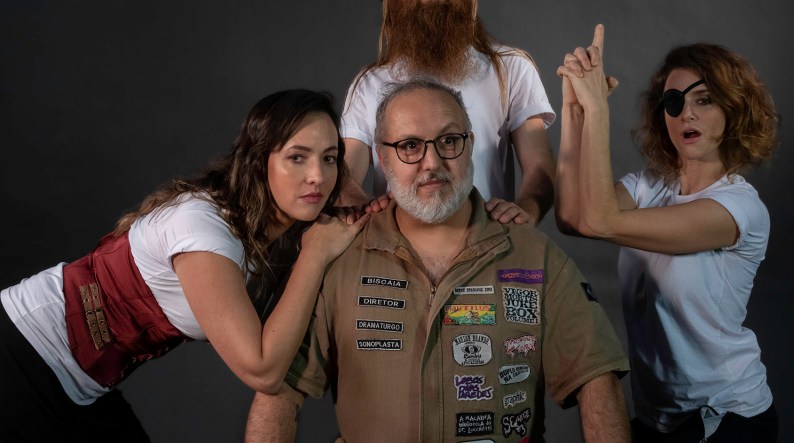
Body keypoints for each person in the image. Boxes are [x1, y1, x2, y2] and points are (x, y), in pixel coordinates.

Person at [245, 78, 631, 442]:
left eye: (448, 140)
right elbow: (280, 392)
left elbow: (597, 378)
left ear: (470, 144)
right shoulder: (340, 257)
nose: (432, 163)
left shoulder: (536, 256)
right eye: (410, 146)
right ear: (383, 157)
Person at [0, 89, 369, 441]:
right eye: (297, 157)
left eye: (329, 158)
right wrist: (315, 255)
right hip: (24, 353)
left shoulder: (272, 231)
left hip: (78, 382)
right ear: (259, 161)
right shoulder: (204, 227)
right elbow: (263, 370)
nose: (317, 176)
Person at [555, 25, 779, 442]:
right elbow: (573, 218)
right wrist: (575, 110)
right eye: (674, 102)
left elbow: (602, 221)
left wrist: (598, 109)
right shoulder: (651, 187)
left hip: (724, 415)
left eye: (704, 100)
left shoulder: (738, 209)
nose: (686, 114)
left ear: (733, 109)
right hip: (658, 418)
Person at [341, 0, 556, 225]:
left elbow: (539, 166)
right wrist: (358, 205)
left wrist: (525, 212)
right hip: (397, 248)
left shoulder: (511, 68)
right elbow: (346, 174)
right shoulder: (369, 83)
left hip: (488, 242)